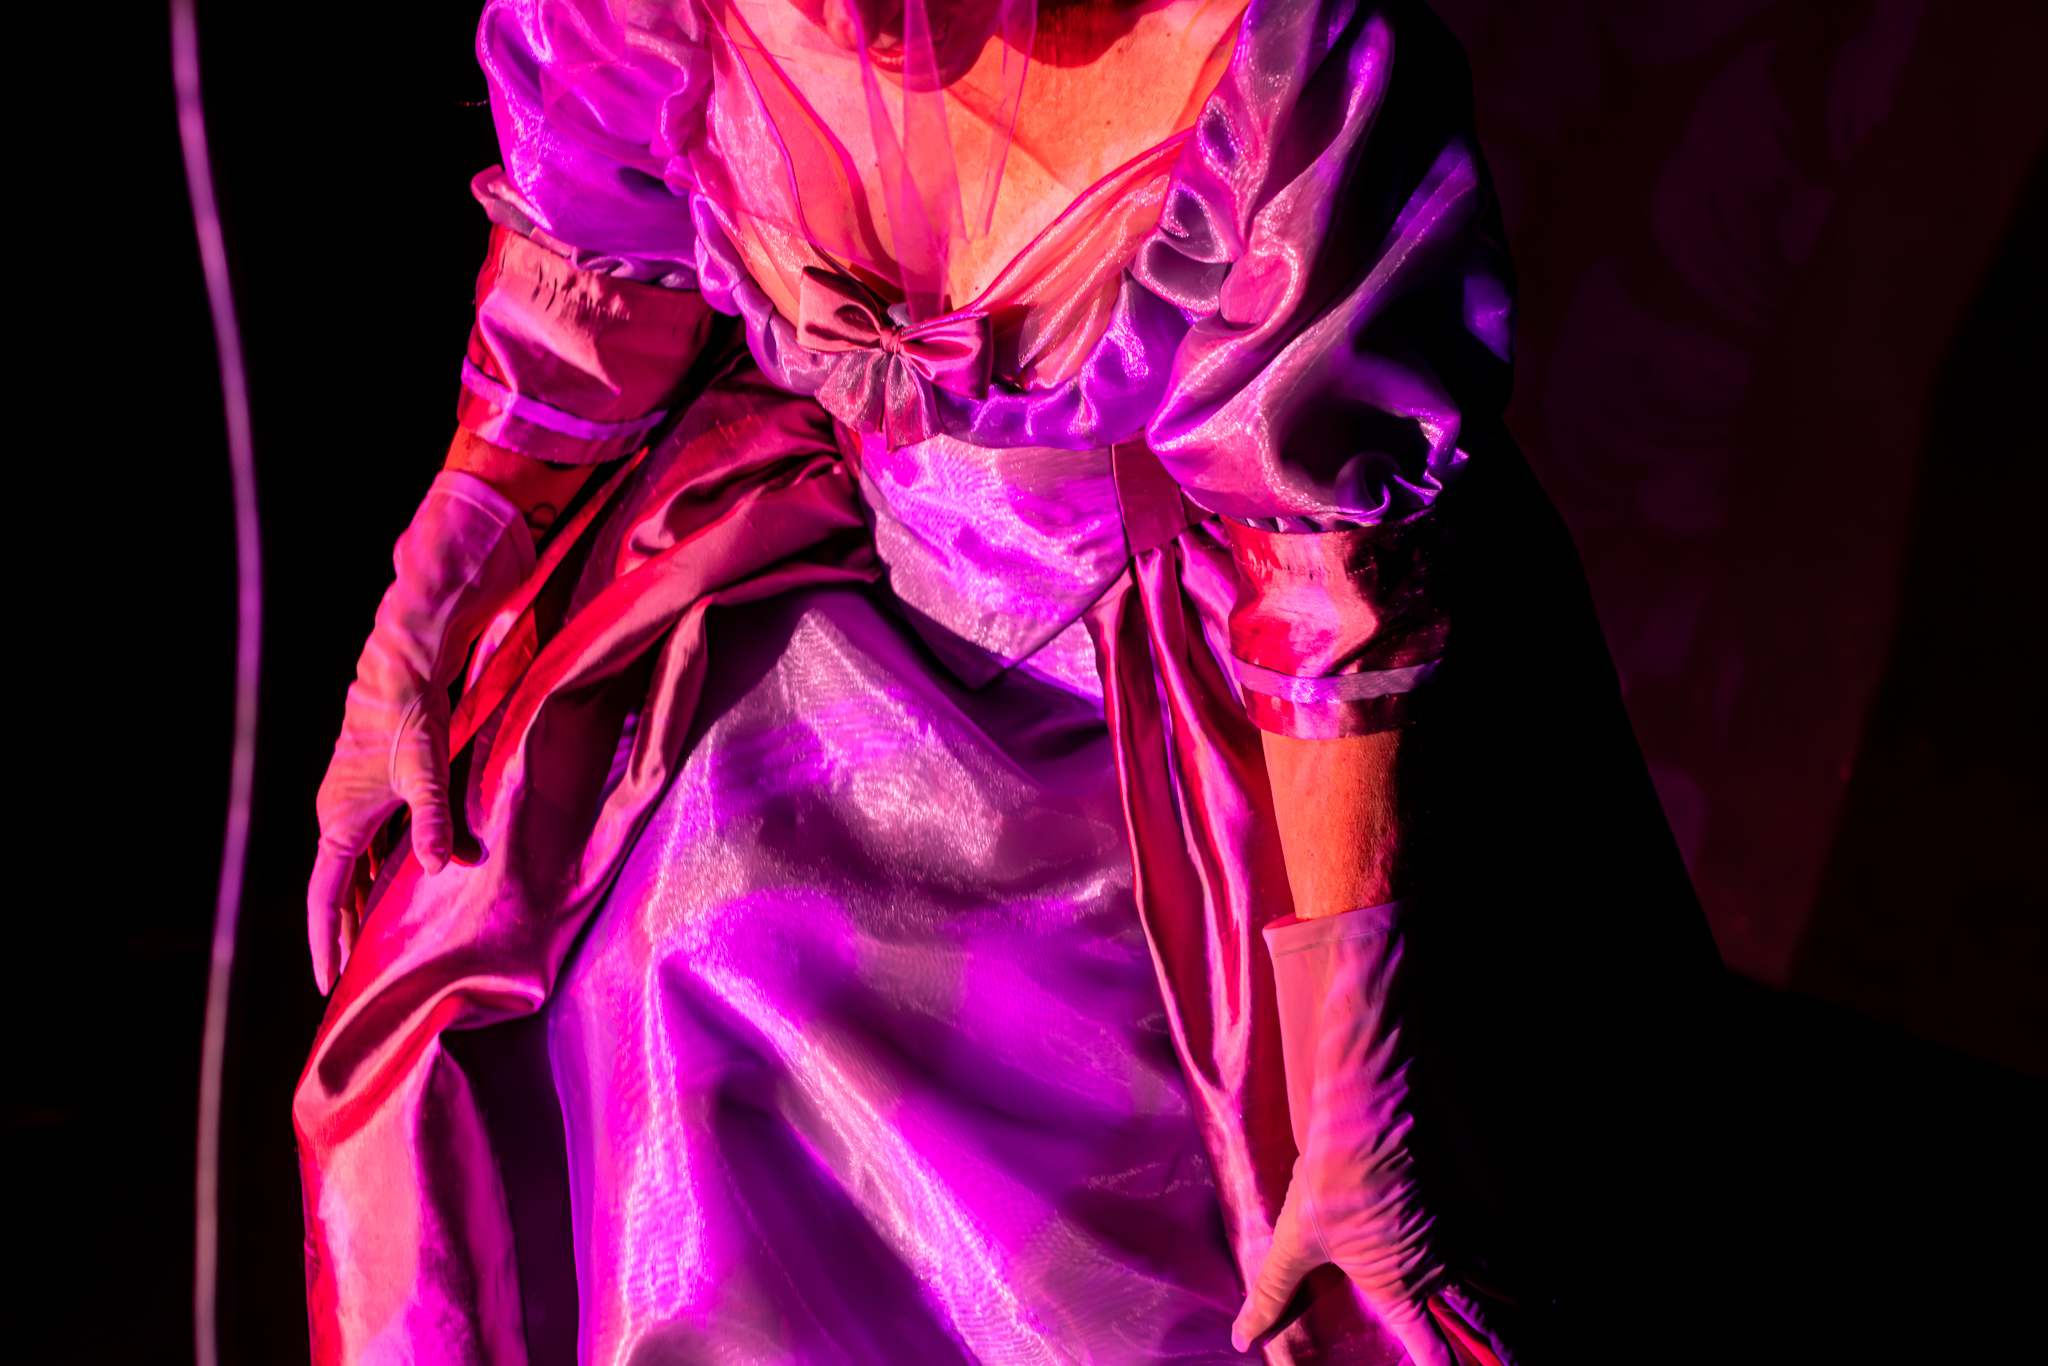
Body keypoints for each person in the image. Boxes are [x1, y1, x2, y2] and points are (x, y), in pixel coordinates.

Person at [294, 1, 1722, 1362]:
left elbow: (1322, 608)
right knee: (663, 948)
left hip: (1228, 722)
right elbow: (584, 304)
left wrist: (1351, 1100)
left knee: (1214, 1211)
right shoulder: (669, 19)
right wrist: (413, 632)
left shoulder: (1274, 61)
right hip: (855, 608)